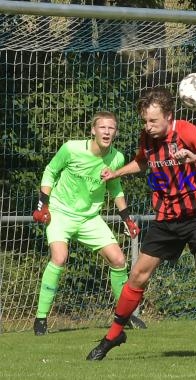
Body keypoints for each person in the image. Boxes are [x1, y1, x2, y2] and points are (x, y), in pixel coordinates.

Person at [85, 87, 196, 362]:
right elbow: (142, 162)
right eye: (145, 121)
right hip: (166, 218)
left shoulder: (187, 131)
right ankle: (114, 335)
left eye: (153, 121)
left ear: (169, 116)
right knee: (137, 277)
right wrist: (117, 173)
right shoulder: (147, 137)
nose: (148, 126)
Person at [31, 111, 145, 336]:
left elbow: (115, 188)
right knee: (59, 257)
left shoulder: (117, 158)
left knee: (119, 259)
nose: (106, 132)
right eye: (102, 127)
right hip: (61, 213)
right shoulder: (71, 148)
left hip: (90, 218)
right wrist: (42, 205)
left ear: (116, 132)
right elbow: (50, 171)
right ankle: (41, 319)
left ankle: (126, 315)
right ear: (93, 130)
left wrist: (127, 218)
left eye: (111, 128)